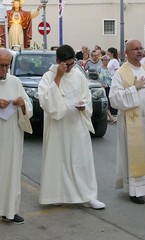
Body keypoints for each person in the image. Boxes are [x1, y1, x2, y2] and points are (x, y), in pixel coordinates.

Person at [38, 44, 105, 210]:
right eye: (65, 64)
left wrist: (84, 105)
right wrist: (58, 77)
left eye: (71, 64)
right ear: (57, 61)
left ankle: (88, 196)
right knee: (58, 161)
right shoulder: (48, 76)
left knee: (82, 161)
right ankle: (57, 195)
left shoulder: (78, 76)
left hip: (77, 125)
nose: (69, 68)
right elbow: (46, 102)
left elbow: (86, 96)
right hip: (58, 127)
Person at [109, 39, 145, 204]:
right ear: (126, 53)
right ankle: (134, 191)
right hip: (130, 122)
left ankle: (142, 188)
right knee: (133, 156)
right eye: (135, 49)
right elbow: (114, 99)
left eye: (141, 48)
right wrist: (134, 88)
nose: (139, 52)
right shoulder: (121, 73)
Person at [0, 48, 33, 224]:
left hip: (12, 136)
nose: (4, 70)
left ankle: (10, 210)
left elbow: (29, 106)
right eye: (0, 66)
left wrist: (22, 105)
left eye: (6, 66)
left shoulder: (14, 81)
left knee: (11, 172)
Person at [97, 54, 117, 123]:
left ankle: (109, 115)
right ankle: (110, 116)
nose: (106, 61)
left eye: (108, 60)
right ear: (102, 61)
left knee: (109, 101)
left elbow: (111, 77)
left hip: (109, 86)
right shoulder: (99, 68)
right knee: (106, 102)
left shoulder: (108, 68)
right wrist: (101, 84)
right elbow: (98, 78)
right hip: (103, 87)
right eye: (105, 60)